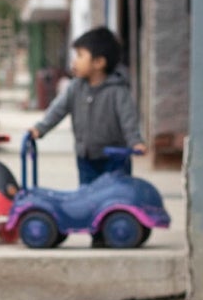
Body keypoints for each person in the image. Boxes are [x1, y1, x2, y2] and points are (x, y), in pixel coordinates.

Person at [29, 26, 147, 186]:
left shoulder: (118, 90)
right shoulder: (75, 87)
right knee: (87, 196)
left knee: (115, 197)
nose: (74, 61)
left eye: (79, 56)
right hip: (86, 158)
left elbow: (128, 120)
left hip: (114, 159)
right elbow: (58, 110)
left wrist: (135, 141)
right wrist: (40, 128)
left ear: (99, 62)